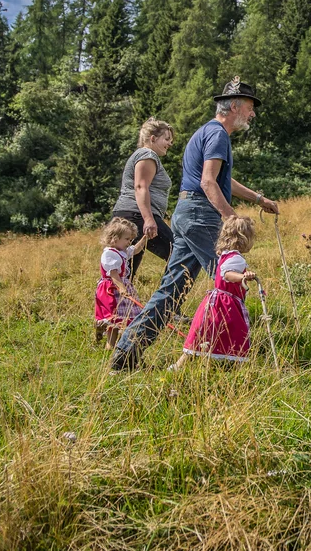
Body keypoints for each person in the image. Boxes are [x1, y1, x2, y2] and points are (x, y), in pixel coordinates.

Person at [110, 77, 279, 372]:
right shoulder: (219, 136)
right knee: (230, 280)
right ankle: (231, 353)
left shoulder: (207, 133)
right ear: (235, 105)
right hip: (202, 215)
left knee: (171, 291)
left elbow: (222, 181)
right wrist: (231, 218)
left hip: (186, 213)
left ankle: (126, 353)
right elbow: (208, 182)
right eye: (250, 107)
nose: (252, 114)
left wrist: (258, 198)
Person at [170, 215, 257, 369]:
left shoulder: (225, 254)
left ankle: (185, 363)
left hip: (215, 300)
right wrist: (242, 276)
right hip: (226, 304)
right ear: (245, 238)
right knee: (235, 331)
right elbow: (227, 274)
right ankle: (237, 364)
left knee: (205, 330)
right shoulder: (237, 258)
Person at [111, 118, 175, 282]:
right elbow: (140, 187)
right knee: (179, 254)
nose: (170, 143)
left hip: (129, 215)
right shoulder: (147, 154)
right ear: (153, 138)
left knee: (125, 272)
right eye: (166, 139)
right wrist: (148, 219)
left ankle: (118, 306)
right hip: (137, 216)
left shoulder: (144, 155)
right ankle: (164, 303)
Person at [94, 217, 149, 351]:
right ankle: (109, 345)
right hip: (112, 290)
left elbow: (135, 250)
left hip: (121, 286)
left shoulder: (121, 251)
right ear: (114, 238)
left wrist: (145, 238)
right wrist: (122, 288)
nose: (129, 242)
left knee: (127, 316)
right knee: (114, 318)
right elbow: (113, 274)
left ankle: (115, 343)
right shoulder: (109, 254)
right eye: (127, 239)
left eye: (130, 239)